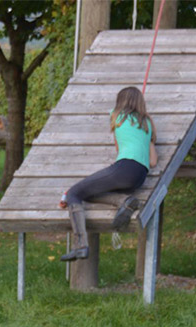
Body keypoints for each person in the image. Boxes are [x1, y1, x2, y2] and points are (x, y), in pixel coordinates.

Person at [59, 86, 158, 262]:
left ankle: (81, 246)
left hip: (124, 168)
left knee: (74, 193)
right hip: (140, 176)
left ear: (120, 102)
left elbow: (119, 149)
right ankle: (124, 201)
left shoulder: (116, 116)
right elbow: (153, 162)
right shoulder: (148, 124)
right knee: (86, 193)